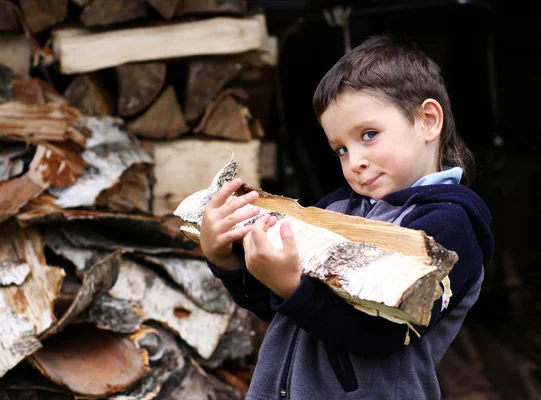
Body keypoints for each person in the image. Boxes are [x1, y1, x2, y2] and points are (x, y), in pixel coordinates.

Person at [199, 35, 494, 400]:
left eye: (368, 135)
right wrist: (225, 259)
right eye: (341, 149)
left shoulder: (450, 225)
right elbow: (278, 305)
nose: (354, 162)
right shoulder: (336, 210)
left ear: (427, 121)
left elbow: (381, 333)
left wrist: (291, 286)